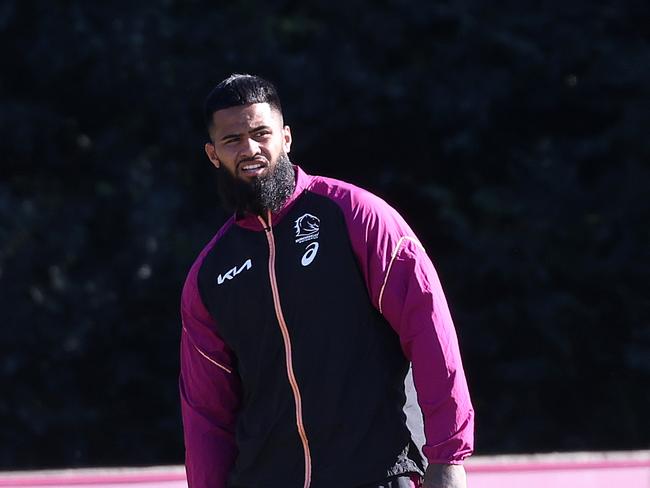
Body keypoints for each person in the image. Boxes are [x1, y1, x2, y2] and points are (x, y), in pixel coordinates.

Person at [179, 74, 474, 488]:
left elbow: (429, 330)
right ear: (212, 154)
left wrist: (448, 456)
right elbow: (206, 413)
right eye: (233, 140)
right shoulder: (209, 275)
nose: (250, 149)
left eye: (261, 133)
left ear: (286, 136)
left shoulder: (356, 216)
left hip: (376, 475)